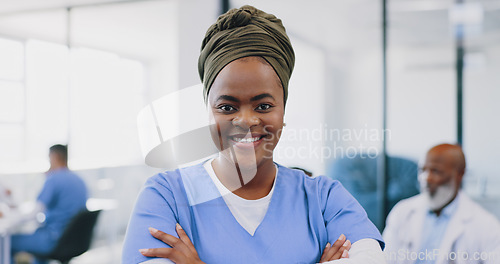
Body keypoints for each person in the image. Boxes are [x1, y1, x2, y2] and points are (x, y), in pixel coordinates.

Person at [123, 5, 385, 264]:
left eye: (263, 106)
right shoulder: (166, 196)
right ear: (208, 110)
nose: (246, 121)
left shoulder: (324, 197)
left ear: (283, 108)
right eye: (227, 107)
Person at [383, 143, 500, 264]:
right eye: (423, 170)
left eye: (436, 171)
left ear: (460, 174)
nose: (426, 178)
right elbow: (385, 260)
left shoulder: (486, 226)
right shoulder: (402, 212)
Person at [11, 144, 88, 264]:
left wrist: (11, 218)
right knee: (38, 236)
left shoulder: (54, 179)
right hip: (74, 240)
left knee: (5, 242)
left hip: (54, 239)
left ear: (54, 156)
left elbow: (35, 212)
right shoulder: (79, 180)